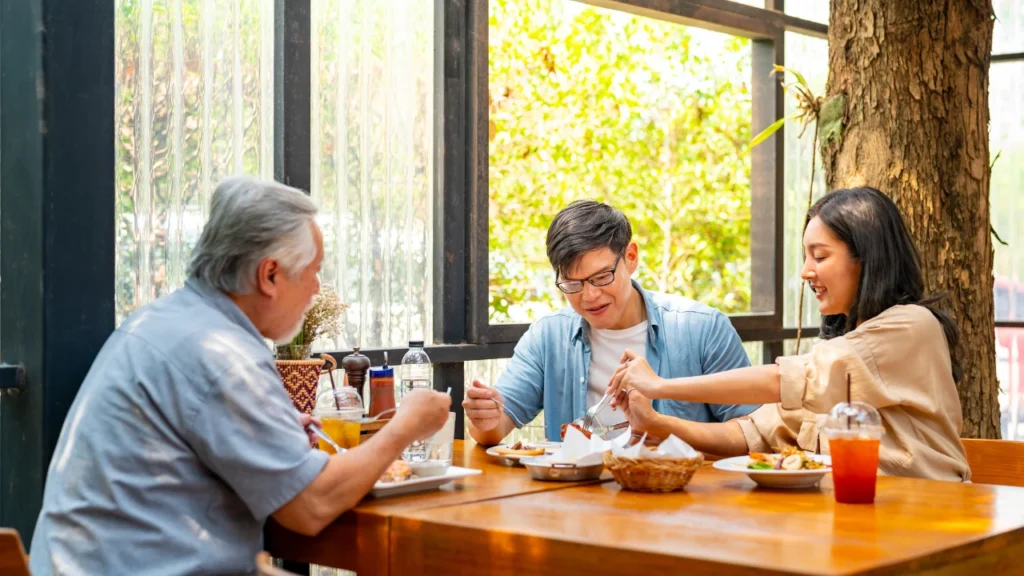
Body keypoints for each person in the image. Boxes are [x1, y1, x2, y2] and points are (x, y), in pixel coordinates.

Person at [29, 176, 452, 575]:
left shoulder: (158, 322)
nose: (317, 288)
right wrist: (404, 426)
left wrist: (276, 436)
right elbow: (309, 508)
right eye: (313, 270)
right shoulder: (224, 355)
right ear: (269, 275)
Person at [608, 186, 970, 481]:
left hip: (929, 520)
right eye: (805, 256)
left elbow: (785, 379)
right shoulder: (843, 348)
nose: (806, 271)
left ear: (867, 258)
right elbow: (748, 434)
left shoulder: (911, 326)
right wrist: (657, 422)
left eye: (820, 256)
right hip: (857, 526)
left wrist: (660, 386)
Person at [463, 200, 758, 446]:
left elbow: (753, 432)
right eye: (572, 283)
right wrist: (484, 419)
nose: (590, 296)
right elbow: (493, 429)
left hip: (677, 501)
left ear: (630, 257)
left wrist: (662, 427)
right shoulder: (548, 336)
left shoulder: (702, 329)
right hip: (577, 503)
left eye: (602, 277)